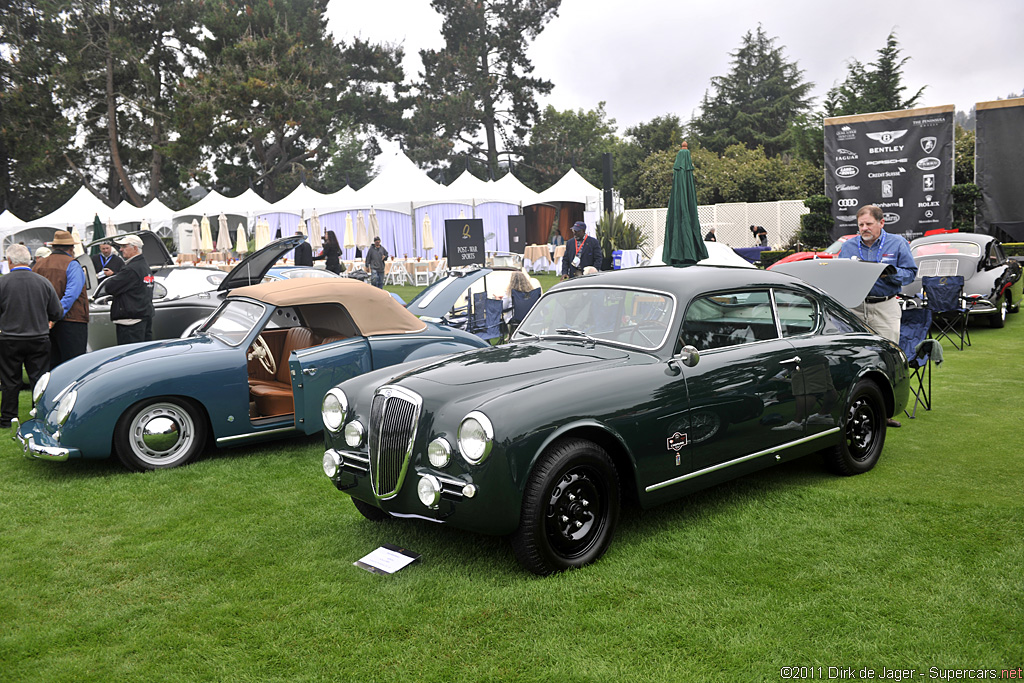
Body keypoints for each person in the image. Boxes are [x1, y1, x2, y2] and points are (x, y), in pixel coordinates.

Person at [838, 204, 917, 428]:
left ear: (881, 223)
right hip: (855, 307)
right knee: (853, 357)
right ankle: (853, 407)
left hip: (885, 306)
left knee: (887, 358)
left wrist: (888, 273)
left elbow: (911, 274)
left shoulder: (897, 243)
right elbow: (840, 272)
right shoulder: (849, 246)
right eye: (860, 225)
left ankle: (886, 412)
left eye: (868, 224)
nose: (864, 228)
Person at [0, 244, 63, 428]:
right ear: (29, 260)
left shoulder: (3, 283)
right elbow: (57, 312)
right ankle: (40, 415)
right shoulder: (43, 282)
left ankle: (7, 418)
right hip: (38, 337)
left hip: (9, 338)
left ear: (10, 261)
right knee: (39, 380)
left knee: (10, 380)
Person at [33, 229, 89, 367]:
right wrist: (56, 315)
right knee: (73, 365)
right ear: (71, 248)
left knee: (51, 364)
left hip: (44, 322)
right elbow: (72, 294)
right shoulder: (72, 264)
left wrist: (48, 317)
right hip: (72, 320)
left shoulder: (39, 265)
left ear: (53, 247)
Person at [104, 234, 155, 345]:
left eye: (124, 246)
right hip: (144, 317)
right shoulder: (144, 266)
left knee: (130, 358)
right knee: (143, 355)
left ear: (135, 248)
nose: (121, 249)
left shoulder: (131, 269)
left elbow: (109, 287)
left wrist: (113, 277)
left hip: (130, 322)